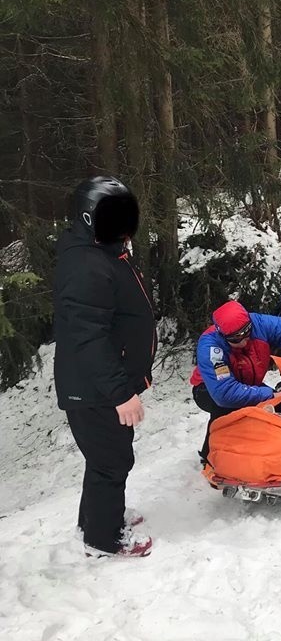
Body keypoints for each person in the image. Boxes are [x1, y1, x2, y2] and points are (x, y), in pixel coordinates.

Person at [53, 176, 156, 558]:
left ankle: (96, 519)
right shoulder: (87, 265)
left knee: (107, 457)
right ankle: (102, 539)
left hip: (100, 384)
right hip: (94, 387)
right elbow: (88, 338)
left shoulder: (102, 253)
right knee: (112, 462)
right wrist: (120, 392)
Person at [190, 299, 281, 460]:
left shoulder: (260, 323)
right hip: (208, 389)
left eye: (247, 333)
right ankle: (214, 457)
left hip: (247, 383)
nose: (244, 341)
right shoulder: (211, 347)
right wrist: (269, 395)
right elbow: (224, 394)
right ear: (223, 336)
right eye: (236, 340)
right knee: (229, 410)